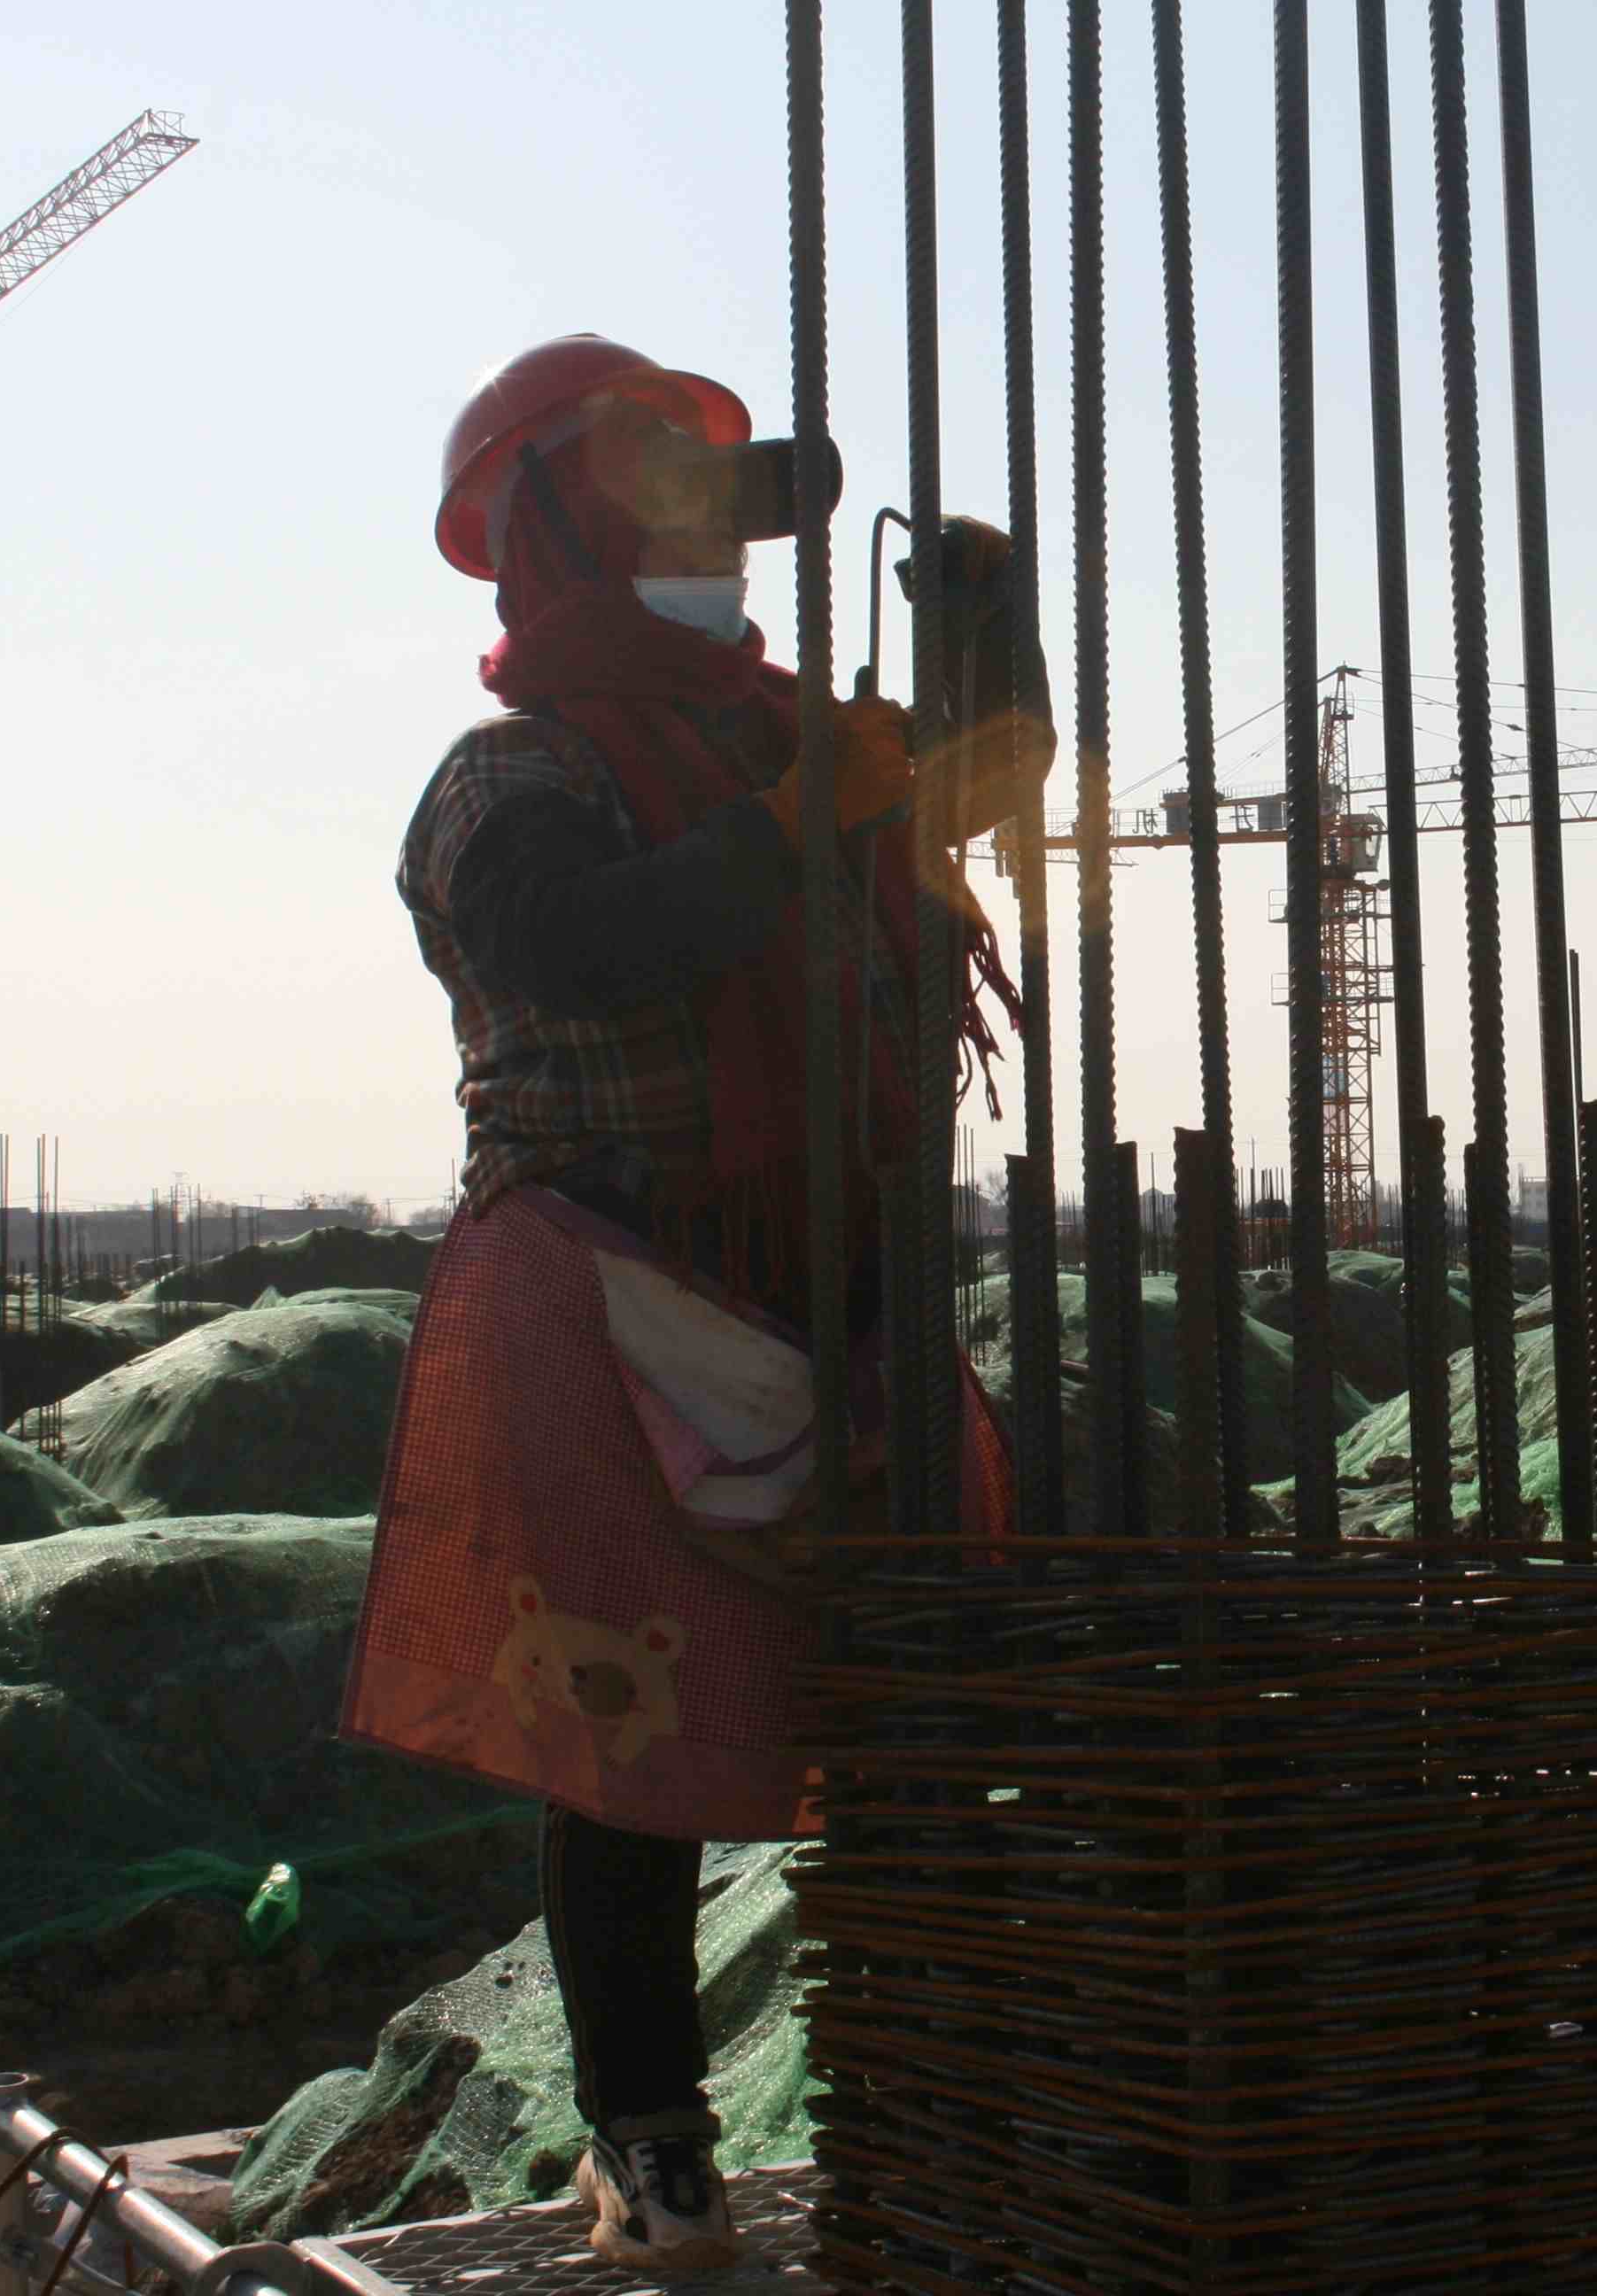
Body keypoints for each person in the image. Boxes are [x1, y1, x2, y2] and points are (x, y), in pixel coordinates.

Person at [374, 334, 1041, 2269]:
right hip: (613, 1297)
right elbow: (587, 944)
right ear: (561, 530)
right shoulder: (511, 782)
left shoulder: (784, 740)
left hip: (846, 1297)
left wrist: (989, 653)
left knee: (915, 1713)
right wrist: (796, 811)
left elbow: (985, 801)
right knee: (628, 1744)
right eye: (660, 488)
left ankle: (940, 2105)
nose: (716, 539)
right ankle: (652, 2143)